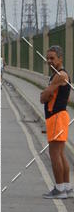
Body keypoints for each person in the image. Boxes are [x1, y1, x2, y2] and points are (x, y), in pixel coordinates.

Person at [40, 45, 72, 199]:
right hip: (58, 117)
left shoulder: (60, 75)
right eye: (48, 58)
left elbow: (44, 96)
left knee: (54, 154)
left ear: (60, 58)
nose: (49, 61)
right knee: (60, 153)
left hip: (57, 116)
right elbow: (46, 95)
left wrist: (45, 93)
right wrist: (46, 94)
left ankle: (59, 189)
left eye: (52, 58)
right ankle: (66, 187)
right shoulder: (56, 75)